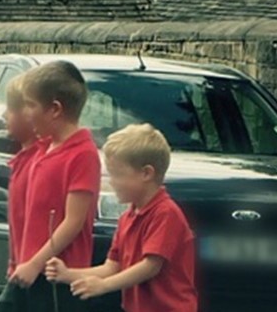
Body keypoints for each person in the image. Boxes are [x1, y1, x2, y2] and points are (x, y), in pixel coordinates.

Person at [46, 124, 198, 312]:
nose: (111, 181)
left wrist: (104, 286)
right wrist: (68, 274)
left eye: (117, 174)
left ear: (146, 173)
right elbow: (113, 266)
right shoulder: (127, 217)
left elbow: (150, 266)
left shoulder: (165, 213)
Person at [5, 61, 101, 312]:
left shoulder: (82, 154)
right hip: (27, 272)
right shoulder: (42, 148)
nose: (26, 113)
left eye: (31, 105)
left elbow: (73, 221)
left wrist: (36, 263)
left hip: (56, 278)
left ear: (55, 109)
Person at [0, 73, 47, 312]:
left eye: (11, 109)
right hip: (20, 265)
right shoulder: (22, 160)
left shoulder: (41, 159)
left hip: (37, 269)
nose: (4, 115)